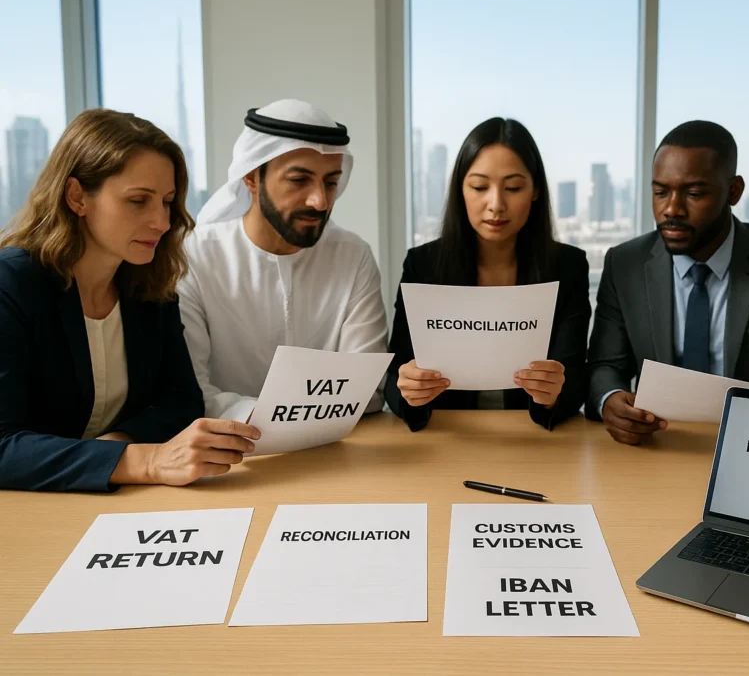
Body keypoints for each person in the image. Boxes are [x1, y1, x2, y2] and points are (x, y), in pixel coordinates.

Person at [0, 109, 259, 492]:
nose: (162, 222)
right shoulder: (11, 285)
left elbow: (182, 401)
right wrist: (146, 460)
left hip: (118, 503)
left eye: (168, 201)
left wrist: (114, 447)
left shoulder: (151, 285)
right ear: (77, 197)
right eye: (139, 201)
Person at [588, 120, 749, 445]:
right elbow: (604, 366)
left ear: (734, 191)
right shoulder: (625, 263)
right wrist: (610, 399)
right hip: (658, 447)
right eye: (660, 192)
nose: (672, 208)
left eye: (694, 193)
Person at [178, 99, 389, 422]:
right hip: (227, 457)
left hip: (334, 449)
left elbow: (368, 391)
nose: (320, 201)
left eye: (331, 182)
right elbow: (190, 393)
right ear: (251, 178)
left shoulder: (352, 255)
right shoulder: (195, 257)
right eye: (299, 180)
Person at [385, 117, 590, 431]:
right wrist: (409, 390)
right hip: (448, 436)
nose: (496, 205)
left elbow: (574, 378)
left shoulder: (567, 265)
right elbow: (394, 378)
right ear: (460, 190)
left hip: (534, 440)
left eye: (513, 188)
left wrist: (553, 394)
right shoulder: (423, 265)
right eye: (480, 187)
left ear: (535, 190)